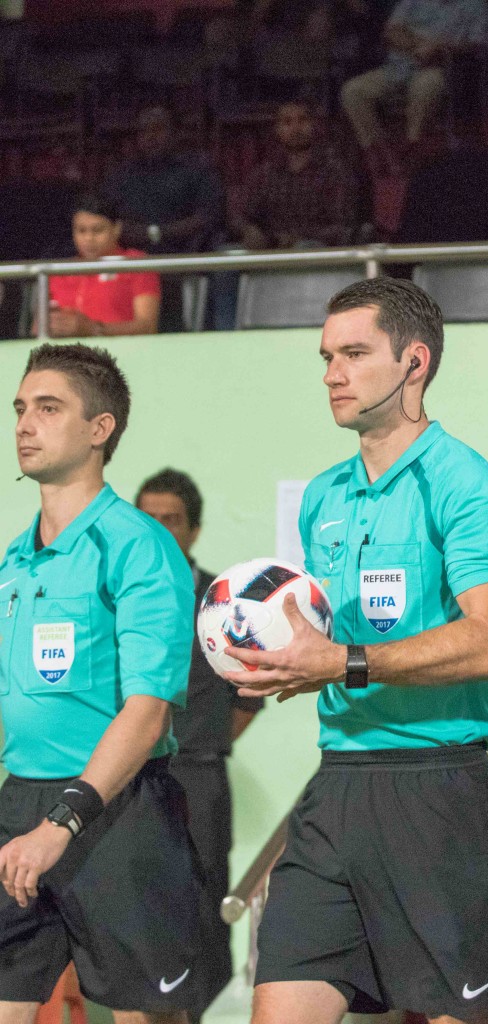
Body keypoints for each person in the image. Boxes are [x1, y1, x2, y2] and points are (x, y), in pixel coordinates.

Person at [213, 278, 488, 1024]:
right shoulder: (325, 496)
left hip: (439, 792)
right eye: (326, 356)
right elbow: (325, 636)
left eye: (354, 353)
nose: (332, 373)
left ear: (414, 363)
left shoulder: (467, 485)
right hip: (336, 790)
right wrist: (283, 662)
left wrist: (344, 661)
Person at [0, 343, 200, 1023]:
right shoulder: (14, 560)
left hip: (118, 813)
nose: (25, 423)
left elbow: (146, 715)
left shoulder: (140, 545)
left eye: (48, 408)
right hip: (20, 806)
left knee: (137, 1016)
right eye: (21, 408)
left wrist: (65, 820)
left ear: (100, 428)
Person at [135, 468, 266, 1023]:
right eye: (149, 519)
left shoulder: (223, 603)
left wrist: (198, 743)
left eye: (172, 520)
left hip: (199, 779)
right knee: (140, 915)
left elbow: (249, 696)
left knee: (207, 914)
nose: (160, 529)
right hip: (133, 782)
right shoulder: (122, 598)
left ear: (194, 529)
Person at [103, 106, 225, 333]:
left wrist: (155, 233)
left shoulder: (197, 170)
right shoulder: (122, 175)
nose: (151, 137)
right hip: (130, 261)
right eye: (144, 131)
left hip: (183, 256)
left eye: (158, 129)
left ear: (175, 133)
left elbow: (209, 217)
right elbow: (104, 217)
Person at [339, 0, 488, 174]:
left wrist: (440, 47)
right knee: (352, 90)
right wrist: (419, 46)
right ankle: (381, 152)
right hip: (396, 68)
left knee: (426, 85)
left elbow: (478, 46)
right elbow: (390, 32)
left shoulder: (477, 6)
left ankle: (413, 148)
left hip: (439, 69)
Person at [234, 100, 360, 249]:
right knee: (226, 254)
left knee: (305, 247)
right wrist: (249, 230)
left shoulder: (335, 170)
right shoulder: (264, 173)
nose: (296, 128)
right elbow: (241, 216)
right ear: (277, 130)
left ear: (314, 125)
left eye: (303, 120)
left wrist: (296, 237)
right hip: (270, 248)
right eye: (287, 122)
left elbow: (344, 226)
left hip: (317, 249)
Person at [44, 193, 160, 339]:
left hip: (121, 354)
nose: (88, 238)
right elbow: (37, 328)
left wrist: (93, 330)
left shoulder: (136, 263)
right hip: (64, 356)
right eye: (81, 230)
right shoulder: (61, 270)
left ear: (116, 229)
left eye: (97, 230)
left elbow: (148, 326)